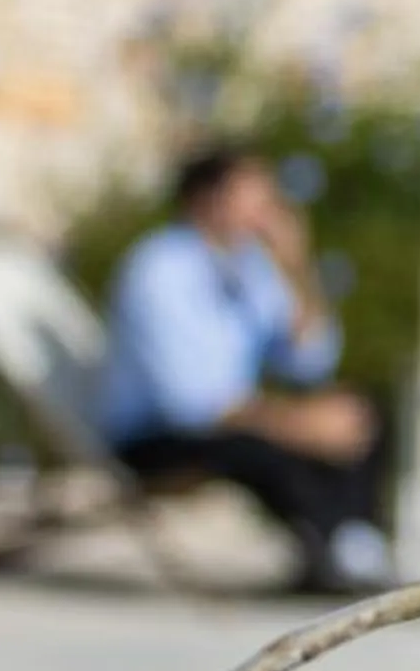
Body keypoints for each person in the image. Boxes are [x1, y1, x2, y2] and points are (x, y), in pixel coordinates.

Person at [98, 143, 392, 594]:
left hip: (231, 419)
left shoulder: (253, 267)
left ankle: (349, 542)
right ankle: (332, 546)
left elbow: (312, 360)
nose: (267, 208)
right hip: (155, 438)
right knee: (257, 446)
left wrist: (296, 267)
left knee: (361, 410)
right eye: (253, 194)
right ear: (206, 199)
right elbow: (189, 402)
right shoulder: (157, 269)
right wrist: (294, 423)